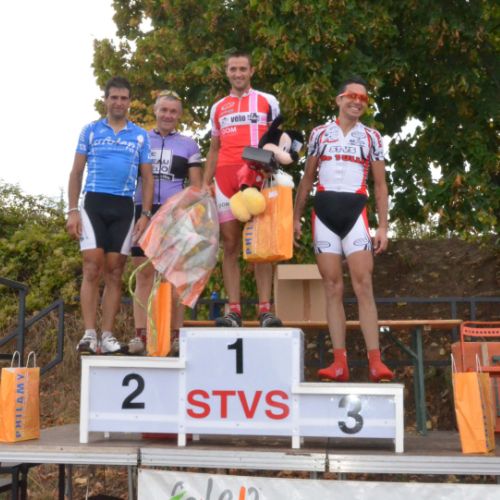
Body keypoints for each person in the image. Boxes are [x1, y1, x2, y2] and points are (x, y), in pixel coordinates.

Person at [293, 77, 394, 382]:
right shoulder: (320, 133)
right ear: (339, 99)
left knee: (364, 285)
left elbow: (380, 184)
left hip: (355, 214)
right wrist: (295, 218)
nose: (357, 102)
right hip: (324, 214)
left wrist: (383, 226)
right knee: (332, 287)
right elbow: (307, 178)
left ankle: (375, 362)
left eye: (363, 98)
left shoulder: (372, 137)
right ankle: (339, 363)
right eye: (352, 96)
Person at [67, 76, 153, 354]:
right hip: (94, 203)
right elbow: (76, 172)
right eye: (113, 97)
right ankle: (89, 334)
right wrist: (72, 210)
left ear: (130, 102)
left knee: (115, 272)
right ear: (105, 100)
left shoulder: (140, 135)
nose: (118, 102)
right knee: (92, 267)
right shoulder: (90, 130)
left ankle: (107, 335)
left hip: (124, 207)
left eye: (123, 98)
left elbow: (147, 178)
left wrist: (145, 214)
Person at [203, 51, 282, 328]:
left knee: (261, 244)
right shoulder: (218, 107)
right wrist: (205, 183)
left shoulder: (267, 101)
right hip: (225, 179)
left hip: (258, 176)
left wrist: (274, 167)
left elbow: (278, 140)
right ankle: (234, 309)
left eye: (242, 69)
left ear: (251, 71)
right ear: (226, 72)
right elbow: (214, 149)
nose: (238, 74)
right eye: (233, 69)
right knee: (230, 244)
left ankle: (265, 310)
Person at [128, 90, 202, 355]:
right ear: (155, 111)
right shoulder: (139, 139)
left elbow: (196, 186)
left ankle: (175, 335)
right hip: (143, 211)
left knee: (174, 276)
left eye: (173, 111)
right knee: (144, 273)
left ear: (179, 115)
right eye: (164, 110)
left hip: (174, 213)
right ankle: (140, 335)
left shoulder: (189, 145)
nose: (168, 115)